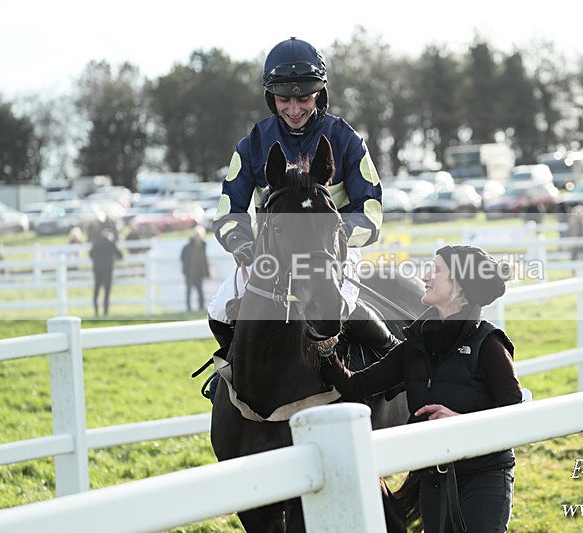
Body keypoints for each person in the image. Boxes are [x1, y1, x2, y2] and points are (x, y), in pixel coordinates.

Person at [204, 37, 392, 399]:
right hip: (272, 251)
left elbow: (370, 211)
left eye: (303, 98)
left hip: (331, 249)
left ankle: (392, 358)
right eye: (284, 99)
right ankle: (233, 368)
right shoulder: (252, 143)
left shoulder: (346, 138)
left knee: (343, 305)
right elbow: (228, 213)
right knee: (219, 309)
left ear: (319, 94)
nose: (293, 108)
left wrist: (334, 238)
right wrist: (243, 246)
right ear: (271, 97)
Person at [318, 245, 522, 533]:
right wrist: (326, 350)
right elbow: (356, 386)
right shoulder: (414, 345)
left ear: (459, 285)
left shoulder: (489, 344)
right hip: (432, 478)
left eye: (436, 270)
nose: (425, 277)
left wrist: (462, 421)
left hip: (483, 477)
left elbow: (515, 416)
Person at [89, 228, 123, 317]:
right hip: (107, 270)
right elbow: (120, 255)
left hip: (97, 270)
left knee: (96, 291)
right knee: (106, 292)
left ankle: (96, 312)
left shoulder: (96, 243)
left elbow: (90, 254)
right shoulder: (110, 243)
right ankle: (105, 312)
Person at [181, 225, 210, 312]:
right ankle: (188, 309)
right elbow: (182, 257)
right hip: (189, 273)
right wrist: (186, 268)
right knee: (189, 292)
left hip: (199, 273)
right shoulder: (187, 247)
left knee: (200, 292)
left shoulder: (203, 246)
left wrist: (207, 271)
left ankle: (201, 308)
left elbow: (204, 260)